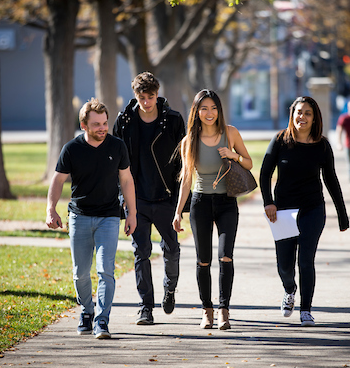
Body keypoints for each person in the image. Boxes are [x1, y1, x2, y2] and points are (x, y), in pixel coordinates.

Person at [46, 98, 137, 339]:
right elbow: (57, 180)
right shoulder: (72, 149)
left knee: (106, 270)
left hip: (109, 216)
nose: (102, 128)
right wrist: (50, 209)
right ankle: (86, 311)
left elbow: (126, 180)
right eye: (96, 124)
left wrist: (132, 213)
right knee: (80, 273)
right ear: (84, 125)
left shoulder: (117, 146)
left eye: (105, 123)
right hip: (80, 217)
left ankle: (102, 320)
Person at [260, 96, 349, 327]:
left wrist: (342, 213)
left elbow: (331, 180)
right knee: (285, 265)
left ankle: (306, 309)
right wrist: (268, 202)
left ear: (314, 117)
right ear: (292, 114)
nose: (302, 117)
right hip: (283, 211)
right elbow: (264, 173)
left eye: (307, 113)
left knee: (306, 260)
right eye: (299, 112)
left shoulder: (322, 145)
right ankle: (289, 290)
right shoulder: (280, 140)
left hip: (312, 209)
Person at [173, 89, 253, 330]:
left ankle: (223, 310)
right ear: (196, 111)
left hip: (227, 203)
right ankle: (206, 310)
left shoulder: (230, 133)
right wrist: (178, 212)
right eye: (204, 108)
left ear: (219, 110)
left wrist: (233, 155)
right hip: (200, 203)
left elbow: (249, 163)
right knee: (204, 260)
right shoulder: (189, 141)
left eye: (213, 108)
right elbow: (186, 179)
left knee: (226, 255)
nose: (209, 113)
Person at [113, 72, 186, 325]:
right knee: (140, 252)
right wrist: (124, 201)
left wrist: (180, 203)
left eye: (151, 97)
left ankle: (170, 288)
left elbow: (183, 163)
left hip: (165, 197)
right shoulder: (124, 121)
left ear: (158, 94)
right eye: (142, 97)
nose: (146, 102)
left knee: (172, 249)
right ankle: (145, 307)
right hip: (137, 200)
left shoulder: (173, 121)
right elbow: (116, 164)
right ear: (135, 96)